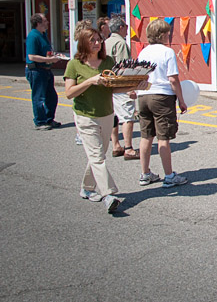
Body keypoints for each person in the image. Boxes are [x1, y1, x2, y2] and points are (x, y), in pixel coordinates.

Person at [64, 26, 145, 214]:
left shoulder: (107, 61)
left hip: (107, 114)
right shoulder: (74, 64)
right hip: (85, 116)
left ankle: (87, 187)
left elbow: (112, 87)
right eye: (92, 40)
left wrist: (132, 87)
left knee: (98, 155)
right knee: (97, 156)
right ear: (83, 43)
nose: (97, 43)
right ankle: (108, 195)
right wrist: (89, 81)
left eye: (99, 39)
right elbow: (69, 93)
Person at [136, 19, 189, 189]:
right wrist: (181, 100)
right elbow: (173, 79)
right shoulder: (167, 52)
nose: (169, 35)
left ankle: (145, 174)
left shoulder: (143, 52)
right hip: (162, 96)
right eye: (167, 33)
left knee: (146, 136)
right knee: (163, 137)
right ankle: (169, 175)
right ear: (162, 35)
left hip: (143, 95)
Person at [105, 17, 139, 160]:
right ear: (120, 28)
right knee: (127, 116)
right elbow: (124, 67)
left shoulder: (105, 42)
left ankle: (115, 145)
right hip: (120, 84)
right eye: (125, 26)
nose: (127, 29)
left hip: (108, 84)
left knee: (113, 115)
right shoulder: (120, 43)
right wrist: (130, 87)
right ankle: (128, 147)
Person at [25, 13, 60, 130]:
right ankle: (40, 121)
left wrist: (53, 56)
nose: (47, 22)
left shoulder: (43, 34)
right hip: (36, 70)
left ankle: (49, 119)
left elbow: (45, 52)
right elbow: (31, 56)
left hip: (46, 70)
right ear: (38, 23)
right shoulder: (33, 36)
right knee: (39, 98)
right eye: (45, 20)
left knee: (52, 97)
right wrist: (49, 59)